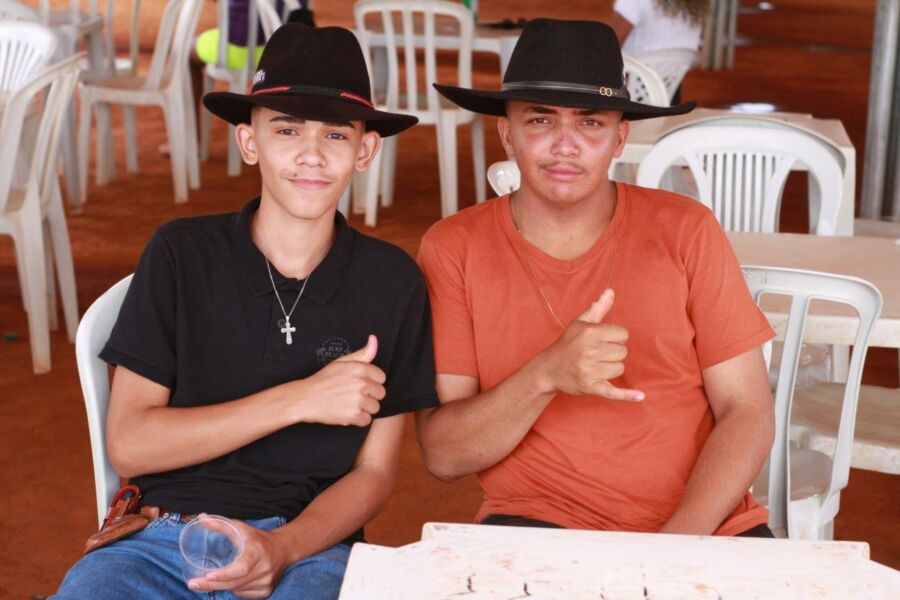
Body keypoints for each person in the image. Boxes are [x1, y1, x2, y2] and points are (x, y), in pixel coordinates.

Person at [55, 23, 435, 599]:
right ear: (249, 141)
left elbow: (375, 473)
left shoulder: (392, 281)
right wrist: (301, 399)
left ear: (365, 150)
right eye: (287, 130)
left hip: (310, 548)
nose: (311, 155)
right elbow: (130, 443)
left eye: (336, 135)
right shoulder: (182, 253)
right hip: (162, 537)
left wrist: (282, 548)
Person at [415, 19, 777, 538]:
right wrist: (546, 374)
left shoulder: (685, 228)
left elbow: (747, 410)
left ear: (619, 138)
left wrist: (680, 543)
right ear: (506, 133)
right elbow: (444, 455)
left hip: (702, 526)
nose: (565, 145)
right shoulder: (454, 247)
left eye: (590, 123)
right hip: (539, 522)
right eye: (540, 120)